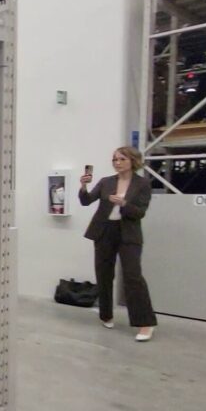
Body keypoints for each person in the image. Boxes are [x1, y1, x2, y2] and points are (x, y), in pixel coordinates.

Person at [79, 146, 157, 341]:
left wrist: (124, 205)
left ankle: (145, 323)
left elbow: (140, 212)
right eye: (115, 159)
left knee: (133, 276)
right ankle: (106, 314)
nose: (117, 163)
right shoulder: (106, 182)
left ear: (132, 161)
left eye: (122, 159)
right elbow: (86, 201)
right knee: (104, 274)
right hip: (105, 232)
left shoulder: (142, 184)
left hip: (128, 233)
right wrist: (83, 186)